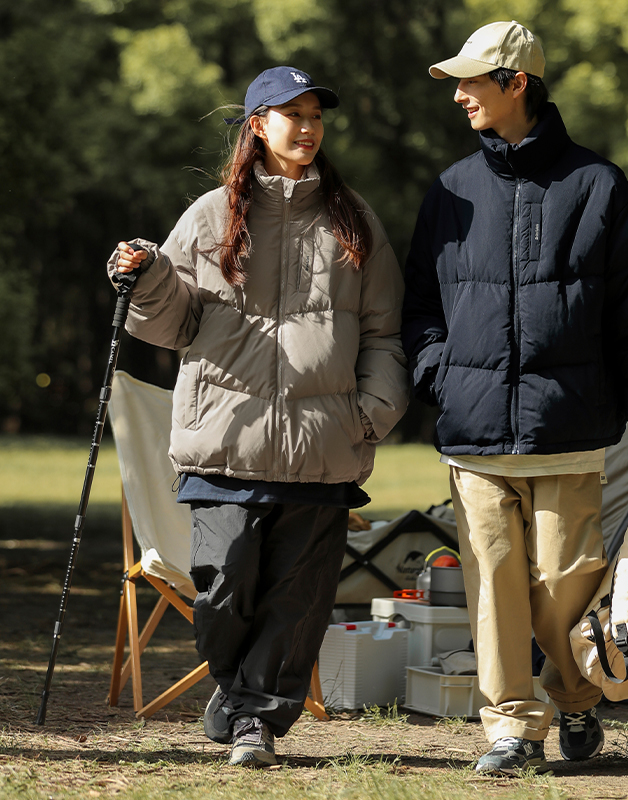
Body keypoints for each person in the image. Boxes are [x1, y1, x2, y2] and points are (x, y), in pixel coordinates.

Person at [108, 66, 408, 767]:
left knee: (296, 604)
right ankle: (237, 687)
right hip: (225, 443)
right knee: (221, 586)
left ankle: (255, 722)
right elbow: (172, 324)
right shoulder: (209, 216)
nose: (307, 127)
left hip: (322, 449)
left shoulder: (353, 219)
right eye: (291, 114)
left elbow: (385, 331)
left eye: (316, 116)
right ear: (257, 125)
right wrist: (148, 276)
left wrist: (370, 414)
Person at [401, 21, 628, 776]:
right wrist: (440, 374)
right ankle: (512, 728)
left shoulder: (599, 185)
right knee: (494, 586)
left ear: (516, 82)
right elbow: (419, 304)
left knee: (566, 579)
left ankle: (574, 694)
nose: (459, 95)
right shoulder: (450, 190)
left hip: (570, 426)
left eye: (471, 81)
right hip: (474, 427)